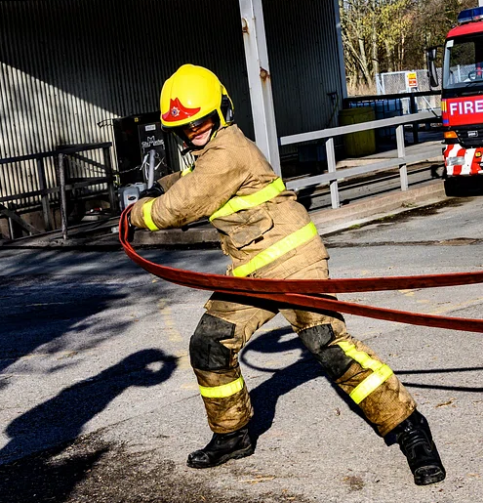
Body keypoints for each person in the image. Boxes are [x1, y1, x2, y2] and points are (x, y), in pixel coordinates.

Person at [129, 64, 446, 486]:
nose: (193, 132)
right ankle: (232, 435)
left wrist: (136, 212)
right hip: (251, 271)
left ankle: (411, 432)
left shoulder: (228, 149)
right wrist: (158, 187)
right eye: (184, 128)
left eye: (200, 121)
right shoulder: (210, 156)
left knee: (330, 348)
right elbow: (190, 182)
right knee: (209, 345)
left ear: (220, 113)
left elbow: (182, 204)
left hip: (294, 261)